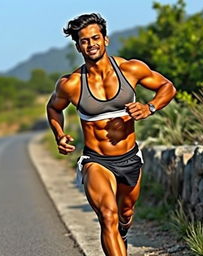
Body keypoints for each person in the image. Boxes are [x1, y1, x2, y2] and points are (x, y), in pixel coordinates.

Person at [46, 13, 176, 256]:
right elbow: (53, 107)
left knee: (125, 213)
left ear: (106, 40)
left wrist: (149, 108)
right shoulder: (71, 84)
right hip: (96, 160)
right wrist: (59, 134)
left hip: (129, 157)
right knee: (108, 215)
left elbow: (167, 86)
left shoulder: (131, 69)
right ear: (78, 46)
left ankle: (122, 233)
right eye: (84, 40)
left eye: (96, 38)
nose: (91, 44)